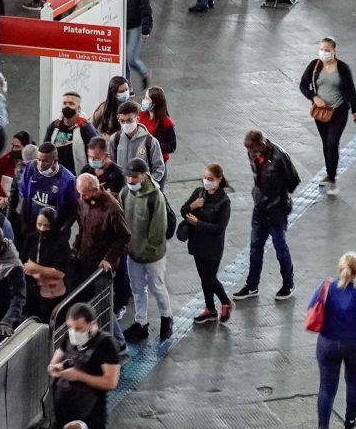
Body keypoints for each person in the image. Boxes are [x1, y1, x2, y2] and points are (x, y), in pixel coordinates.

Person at [308, 252, 356, 429]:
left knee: (327, 388)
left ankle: (323, 427)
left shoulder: (326, 287)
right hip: (353, 345)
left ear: (340, 268)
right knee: (353, 381)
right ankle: (351, 421)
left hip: (327, 344)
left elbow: (310, 308)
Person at [234, 129, 298, 300]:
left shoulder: (279, 156)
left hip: (277, 210)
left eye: (254, 150)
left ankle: (288, 283)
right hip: (260, 207)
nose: (251, 154)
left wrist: (277, 194)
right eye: (249, 151)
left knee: (280, 248)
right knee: (255, 247)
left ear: (262, 145)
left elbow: (293, 180)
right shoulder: (253, 154)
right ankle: (252, 285)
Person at [119, 157, 172, 342]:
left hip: (153, 255)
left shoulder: (155, 196)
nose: (131, 181)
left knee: (157, 287)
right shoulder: (125, 193)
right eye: (128, 177)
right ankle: (140, 322)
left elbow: (159, 228)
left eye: (134, 177)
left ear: (144, 175)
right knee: (137, 288)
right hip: (133, 252)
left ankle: (167, 318)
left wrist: (149, 248)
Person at [299, 38, 356, 195]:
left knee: (333, 143)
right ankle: (329, 173)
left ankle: (332, 179)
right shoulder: (315, 65)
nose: (324, 53)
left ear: (334, 51)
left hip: (339, 111)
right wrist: (314, 97)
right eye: (322, 49)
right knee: (326, 144)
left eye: (327, 50)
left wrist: (354, 110)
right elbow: (303, 85)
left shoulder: (342, 68)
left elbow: (351, 89)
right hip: (322, 112)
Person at [49, 301, 124, 429]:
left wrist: (79, 376)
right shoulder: (69, 337)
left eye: (78, 328)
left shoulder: (106, 344)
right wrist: (58, 368)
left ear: (92, 324)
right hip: (63, 409)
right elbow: (53, 364)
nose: (73, 332)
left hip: (90, 412)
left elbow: (111, 382)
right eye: (70, 327)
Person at [182, 163, 233, 325]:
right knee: (204, 279)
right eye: (205, 178)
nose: (206, 181)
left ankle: (226, 301)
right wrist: (193, 205)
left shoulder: (224, 201)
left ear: (219, 179)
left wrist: (198, 223)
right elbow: (183, 211)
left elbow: (220, 228)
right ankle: (210, 308)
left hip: (213, 247)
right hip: (197, 243)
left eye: (210, 179)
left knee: (210, 278)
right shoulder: (199, 192)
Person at [23, 205, 75, 321]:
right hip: (34, 293)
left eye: (46, 226)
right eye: (39, 224)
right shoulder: (32, 238)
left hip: (54, 297)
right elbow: (25, 263)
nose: (41, 229)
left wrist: (35, 268)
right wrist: (36, 272)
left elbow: (60, 272)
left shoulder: (61, 243)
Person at [107, 99, 166, 184]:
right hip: (121, 190)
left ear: (137, 119)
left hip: (142, 190)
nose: (125, 124)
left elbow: (159, 169)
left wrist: (148, 185)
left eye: (129, 120)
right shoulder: (115, 140)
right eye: (122, 121)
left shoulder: (150, 142)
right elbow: (111, 166)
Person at [46, 93, 98, 176]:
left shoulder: (86, 129)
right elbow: (45, 151)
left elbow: (95, 155)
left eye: (71, 103)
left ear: (79, 108)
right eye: (64, 103)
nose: (67, 106)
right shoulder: (54, 127)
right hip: (56, 176)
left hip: (78, 177)